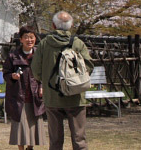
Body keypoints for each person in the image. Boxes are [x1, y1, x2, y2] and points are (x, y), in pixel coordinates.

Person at [30, 11, 93, 150]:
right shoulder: (78, 43)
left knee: (55, 141)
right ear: (71, 26)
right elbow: (89, 66)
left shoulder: (45, 44)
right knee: (79, 139)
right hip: (75, 96)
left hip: (52, 97)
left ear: (53, 25)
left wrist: (47, 81)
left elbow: (35, 70)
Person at [4, 25, 46, 149]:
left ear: (35, 39)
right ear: (21, 39)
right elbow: (5, 73)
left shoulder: (39, 54)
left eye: (31, 37)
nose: (29, 40)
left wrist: (42, 86)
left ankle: (30, 147)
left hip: (35, 96)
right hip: (18, 96)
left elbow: (45, 72)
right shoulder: (13, 56)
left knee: (33, 126)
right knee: (20, 128)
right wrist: (12, 76)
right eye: (26, 37)